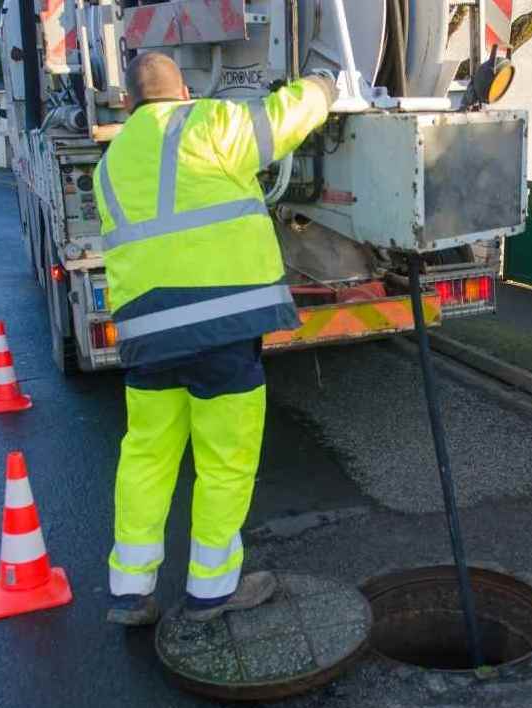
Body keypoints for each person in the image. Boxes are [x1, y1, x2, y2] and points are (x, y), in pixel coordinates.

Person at [93, 53, 335, 624]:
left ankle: (131, 590)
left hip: (148, 340)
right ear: (183, 90)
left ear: (128, 101)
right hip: (224, 331)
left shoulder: (112, 162)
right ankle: (212, 590)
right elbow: (286, 116)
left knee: (146, 458)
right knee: (224, 461)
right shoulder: (210, 123)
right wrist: (323, 84)